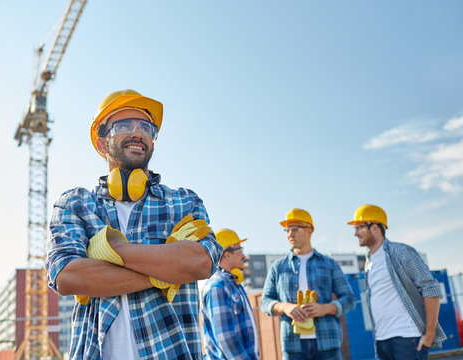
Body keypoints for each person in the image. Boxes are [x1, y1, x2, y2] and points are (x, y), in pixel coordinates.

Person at [45, 89, 223, 360]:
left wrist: (106, 250)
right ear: (102, 143)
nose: (139, 132)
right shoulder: (75, 204)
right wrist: (170, 269)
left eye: (147, 127)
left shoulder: (184, 202)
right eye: (125, 125)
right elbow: (67, 277)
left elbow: (201, 263)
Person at [347, 204, 446, 360]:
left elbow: (430, 287)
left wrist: (430, 334)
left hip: (407, 338)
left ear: (374, 227)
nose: (356, 233)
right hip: (381, 341)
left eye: (359, 228)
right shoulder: (369, 262)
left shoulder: (399, 251)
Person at [261, 208, 355, 360]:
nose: (290, 235)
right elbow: (265, 302)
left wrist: (325, 308)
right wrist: (285, 307)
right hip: (293, 346)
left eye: (295, 229)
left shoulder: (329, 264)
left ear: (309, 230)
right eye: (287, 230)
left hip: (328, 344)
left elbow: (349, 299)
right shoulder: (278, 267)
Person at [201, 228, 259, 359]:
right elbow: (225, 336)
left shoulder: (232, 284)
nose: (243, 256)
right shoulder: (217, 287)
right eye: (240, 250)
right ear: (227, 254)